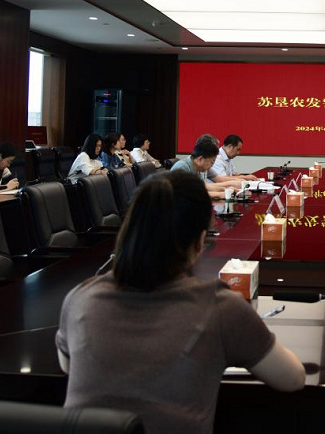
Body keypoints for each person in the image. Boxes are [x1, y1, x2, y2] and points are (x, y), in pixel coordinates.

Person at [56, 170, 305, 433]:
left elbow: (68, 366)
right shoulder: (220, 308)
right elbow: (292, 379)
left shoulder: (80, 298)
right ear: (199, 242)